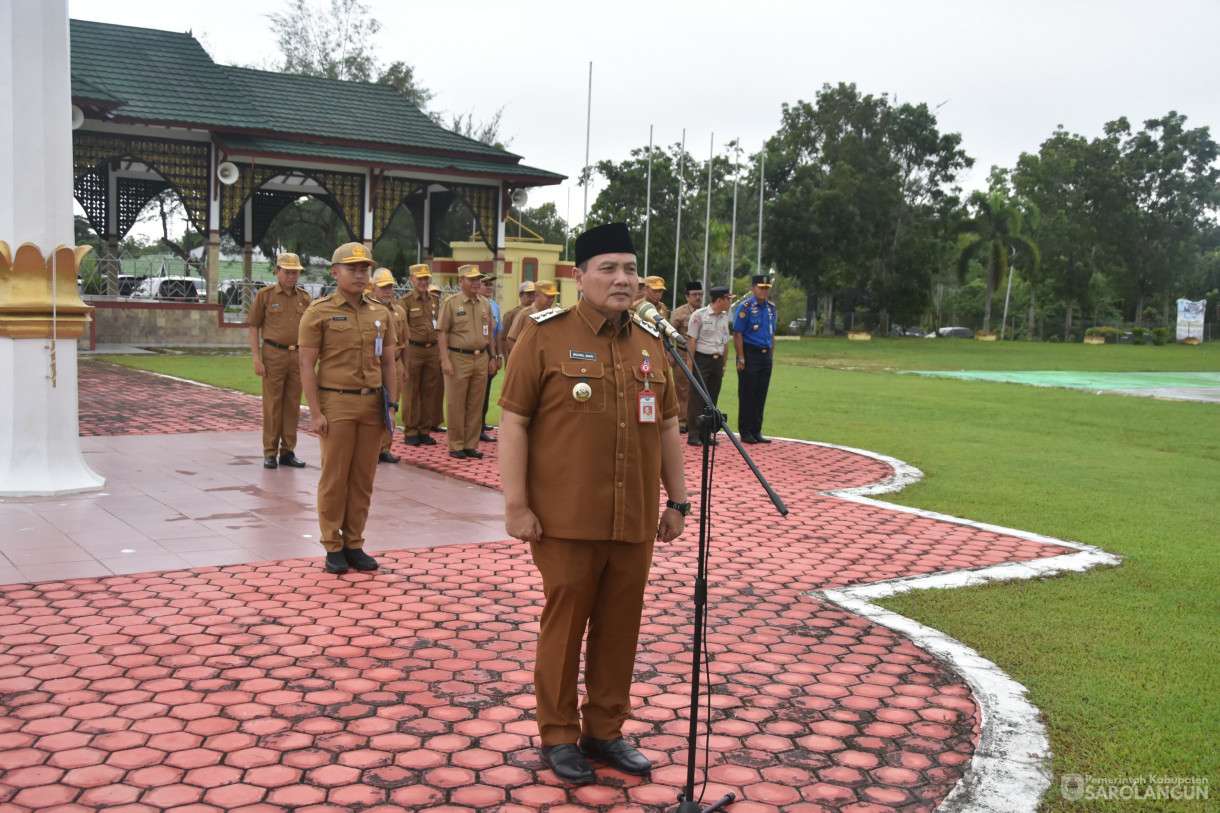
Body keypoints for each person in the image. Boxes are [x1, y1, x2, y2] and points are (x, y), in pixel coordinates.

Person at [498, 222, 690, 785]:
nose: (622, 279)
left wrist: (677, 500)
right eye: (608, 268)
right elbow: (513, 422)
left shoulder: (651, 341)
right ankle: (557, 734)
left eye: (630, 269)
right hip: (564, 516)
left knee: (620, 626)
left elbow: (669, 425)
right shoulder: (545, 334)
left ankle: (605, 728)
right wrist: (516, 505)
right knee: (565, 627)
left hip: (632, 516)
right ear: (579, 277)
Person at [298, 242, 398, 574]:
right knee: (334, 477)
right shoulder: (318, 312)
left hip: (372, 403)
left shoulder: (380, 313)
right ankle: (333, 545)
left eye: (365, 269)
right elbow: (306, 365)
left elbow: (388, 363)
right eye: (352, 268)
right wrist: (315, 412)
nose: (360, 275)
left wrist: (393, 406)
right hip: (336, 401)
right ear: (335, 272)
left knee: (362, 478)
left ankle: (354, 542)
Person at [247, 253, 313, 469]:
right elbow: (253, 326)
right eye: (288, 271)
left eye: (296, 272)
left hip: (297, 356)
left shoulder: (304, 297)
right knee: (273, 405)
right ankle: (270, 452)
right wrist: (257, 358)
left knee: (293, 405)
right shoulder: (265, 296)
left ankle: (288, 451)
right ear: (277, 272)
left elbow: (313, 327)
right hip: (273, 354)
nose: (292, 276)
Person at [437, 265, 500, 460]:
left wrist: (493, 356)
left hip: (480, 357)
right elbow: (442, 332)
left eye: (478, 279)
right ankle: (456, 444)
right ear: (460, 281)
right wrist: (445, 360)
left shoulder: (485, 303)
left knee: (476, 402)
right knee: (456, 403)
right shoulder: (452, 303)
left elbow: (489, 331)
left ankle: (470, 444)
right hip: (458, 357)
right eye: (471, 279)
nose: (476, 283)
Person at [397, 264, 443, 447]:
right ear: (411, 280)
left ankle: (425, 430)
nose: (424, 282)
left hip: (432, 349)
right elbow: (402, 331)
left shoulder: (434, 300)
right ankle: (411, 430)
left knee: (429, 391)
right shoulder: (406, 302)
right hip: (414, 349)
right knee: (411, 392)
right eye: (420, 279)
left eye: (426, 278)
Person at [686, 285, 733, 446]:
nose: (730, 303)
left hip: (717, 360)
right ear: (720, 300)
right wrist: (690, 365)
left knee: (712, 398)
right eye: (728, 299)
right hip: (701, 359)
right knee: (697, 398)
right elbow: (692, 340)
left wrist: (724, 365)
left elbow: (726, 342)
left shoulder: (725, 317)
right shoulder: (699, 316)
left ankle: (706, 435)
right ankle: (693, 434)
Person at [733, 274, 777, 444]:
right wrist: (741, 358)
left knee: (761, 393)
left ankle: (756, 430)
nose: (764, 291)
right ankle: (745, 431)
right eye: (761, 287)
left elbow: (772, 332)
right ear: (752, 288)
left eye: (767, 288)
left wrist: (771, 355)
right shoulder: (745, 307)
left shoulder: (770, 308)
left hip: (765, 355)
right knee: (747, 394)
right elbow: (737, 334)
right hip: (750, 353)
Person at [370, 268, 408, 463]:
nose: (387, 291)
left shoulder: (399, 311)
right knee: (373, 407)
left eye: (390, 287)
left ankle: (385, 447)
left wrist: (405, 368)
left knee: (391, 406)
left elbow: (405, 342)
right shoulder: (367, 309)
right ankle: (372, 448)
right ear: (373, 288)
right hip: (374, 366)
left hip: (394, 363)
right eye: (383, 287)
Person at [668, 280, 703, 434]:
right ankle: (682, 420)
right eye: (694, 295)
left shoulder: (706, 312)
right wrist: (669, 353)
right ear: (687, 297)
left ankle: (696, 420)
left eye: (700, 294)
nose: (698, 298)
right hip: (683, 353)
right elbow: (669, 333)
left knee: (699, 388)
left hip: (702, 355)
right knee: (682, 388)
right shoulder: (679, 313)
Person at [503, 279, 559, 356]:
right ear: (537, 295)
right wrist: (521, 359)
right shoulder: (524, 315)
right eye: (548, 297)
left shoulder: (554, 314)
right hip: (528, 361)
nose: (551, 300)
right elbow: (511, 339)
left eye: (553, 297)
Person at [480, 275, 503, 443]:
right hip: (478, 351)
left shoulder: (494, 306)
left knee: (485, 390)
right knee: (476, 393)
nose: (489, 287)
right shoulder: (477, 305)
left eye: (490, 285)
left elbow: (499, 333)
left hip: (491, 352)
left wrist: (497, 356)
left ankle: (481, 424)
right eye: (485, 284)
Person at [499, 281, 536, 363]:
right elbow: (504, 339)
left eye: (534, 293)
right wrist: (508, 358)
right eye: (529, 293)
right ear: (520, 295)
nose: (533, 296)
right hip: (516, 355)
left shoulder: (540, 312)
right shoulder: (511, 314)